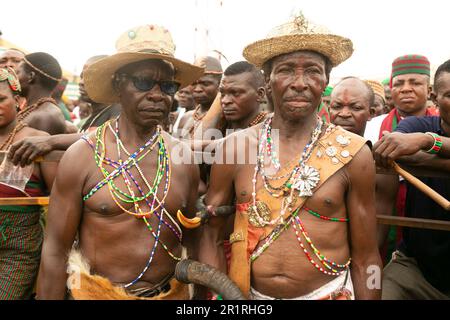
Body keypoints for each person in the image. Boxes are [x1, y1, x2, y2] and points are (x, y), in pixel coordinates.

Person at [197, 15, 381, 300]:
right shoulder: (234, 148)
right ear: (268, 83)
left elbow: (368, 258)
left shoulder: (354, 153)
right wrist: (225, 297)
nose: (299, 83)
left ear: (325, 81)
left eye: (312, 71)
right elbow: (211, 234)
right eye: (285, 71)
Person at [36, 24, 202, 300]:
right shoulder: (82, 156)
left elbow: (194, 246)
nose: (157, 94)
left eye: (168, 85)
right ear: (118, 84)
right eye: (144, 82)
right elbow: (55, 250)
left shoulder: (183, 160)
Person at [373, 58, 450, 299]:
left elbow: (415, 151)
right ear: (435, 98)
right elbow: (394, 148)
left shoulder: (424, 135)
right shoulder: (418, 124)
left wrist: (429, 142)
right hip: (416, 268)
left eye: (414, 82)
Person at [0, 67, 57, 299]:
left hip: (17, 246)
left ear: (18, 101)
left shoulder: (38, 141)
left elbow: (59, 198)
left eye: (0, 99)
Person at [6, 55, 121, 168]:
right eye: (81, 76)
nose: (81, 82)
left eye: (90, 76)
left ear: (111, 80)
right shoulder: (94, 116)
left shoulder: (118, 110)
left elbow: (108, 135)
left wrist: (51, 141)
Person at [14, 52, 67, 135]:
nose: (13, 78)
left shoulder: (46, 116)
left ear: (30, 76)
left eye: (17, 72)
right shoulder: (35, 110)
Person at [179, 56, 222, 137]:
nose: (197, 89)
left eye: (205, 84)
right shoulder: (185, 118)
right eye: (193, 84)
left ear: (219, 84)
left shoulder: (226, 118)